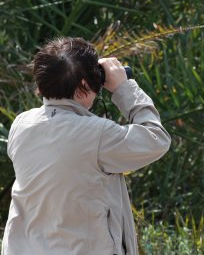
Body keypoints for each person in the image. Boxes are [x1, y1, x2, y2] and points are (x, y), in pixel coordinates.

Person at [2, 37, 171, 255]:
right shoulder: (98, 134)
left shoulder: (21, 124)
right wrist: (124, 88)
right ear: (84, 86)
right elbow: (156, 138)